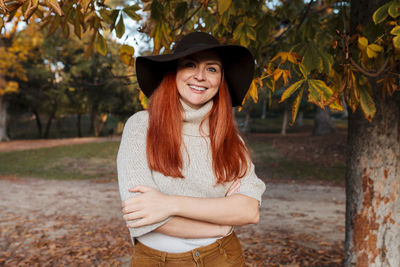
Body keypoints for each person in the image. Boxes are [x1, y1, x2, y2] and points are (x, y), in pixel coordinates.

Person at [117, 32, 266, 267]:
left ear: (221, 79)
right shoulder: (141, 125)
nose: (200, 76)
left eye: (212, 69)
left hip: (222, 257)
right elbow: (141, 217)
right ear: (174, 72)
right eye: (190, 65)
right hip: (155, 261)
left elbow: (248, 211)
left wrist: (169, 204)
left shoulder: (230, 137)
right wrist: (221, 224)